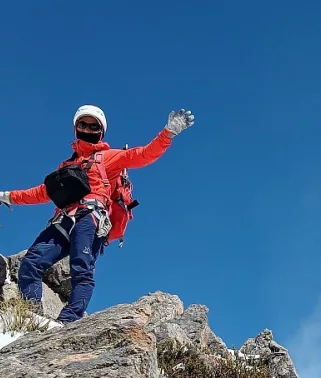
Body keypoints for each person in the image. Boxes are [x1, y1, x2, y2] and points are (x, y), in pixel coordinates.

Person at [0, 104, 195, 323]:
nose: (88, 129)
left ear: (101, 131)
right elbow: (42, 192)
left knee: (81, 269)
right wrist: (8, 196)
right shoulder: (67, 166)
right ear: (76, 128)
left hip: (90, 218)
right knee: (31, 263)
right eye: (84, 124)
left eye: (94, 126)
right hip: (63, 221)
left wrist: (167, 134)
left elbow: (143, 155)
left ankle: (68, 322)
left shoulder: (108, 157)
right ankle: (29, 318)